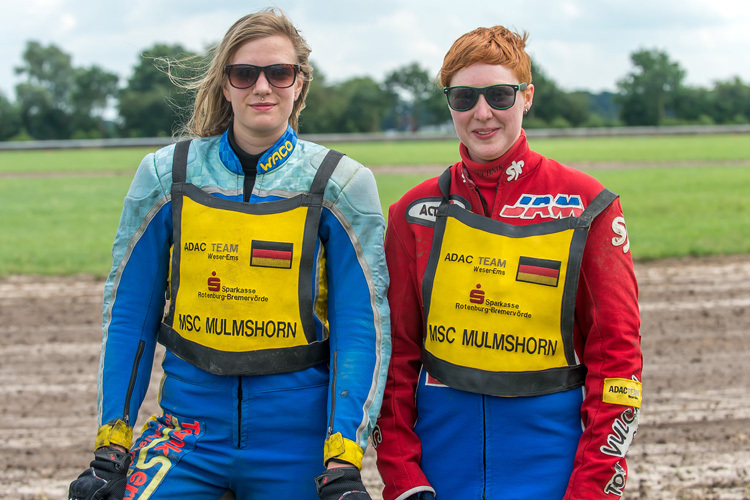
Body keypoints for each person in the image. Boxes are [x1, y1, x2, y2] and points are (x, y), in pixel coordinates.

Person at [68, 9, 390, 500]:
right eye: (245, 73)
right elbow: (130, 316)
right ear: (225, 84)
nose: (262, 87)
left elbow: (361, 325)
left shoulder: (343, 183)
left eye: (279, 73)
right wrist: (112, 446)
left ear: (299, 84)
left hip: (298, 445)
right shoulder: (165, 175)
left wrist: (344, 457)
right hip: (186, 436)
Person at [374, 25, 642, 500]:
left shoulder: (588, 205)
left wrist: (594, 488)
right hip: (439, 476)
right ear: (449, 103)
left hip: (553, 472)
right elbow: (394, 362)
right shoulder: (411, 213)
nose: (482, 113)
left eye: (499, 94)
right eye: (463, 97)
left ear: (527, 97)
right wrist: (403, 480)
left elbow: (616, 362)